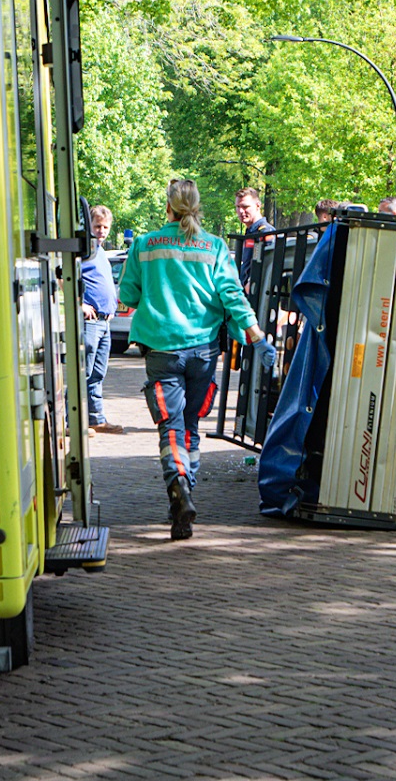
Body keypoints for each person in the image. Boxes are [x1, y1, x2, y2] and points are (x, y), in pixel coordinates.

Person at [118, 179, 264, 540]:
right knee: (192, 428)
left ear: (167, 207)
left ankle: (178, 486)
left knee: (170, 427)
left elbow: (129, 295)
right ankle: (188, 489)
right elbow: (232, 296)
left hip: (161, 350)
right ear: (196, 207)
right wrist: (256, 334)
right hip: (202, 351)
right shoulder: (214, 248)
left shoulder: (144, 245)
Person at [80, 205, 124, 435]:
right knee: (83, 371)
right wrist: (80, 304)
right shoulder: (83, 250)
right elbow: (63, 277)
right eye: (97, 226)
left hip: (104, 321)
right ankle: (71, 421)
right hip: (90, 321)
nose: (102, 231)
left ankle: (96, 418)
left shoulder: (100, 251)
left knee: (98, 372)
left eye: (105, 227)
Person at [234, 187, 275, 291]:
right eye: (238, 207)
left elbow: (269, 265)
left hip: (257, 294)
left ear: (258, 206)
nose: (240, 211)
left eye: (245, 206)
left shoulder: (266, 233)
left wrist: (252, 282)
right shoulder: (251, 232)